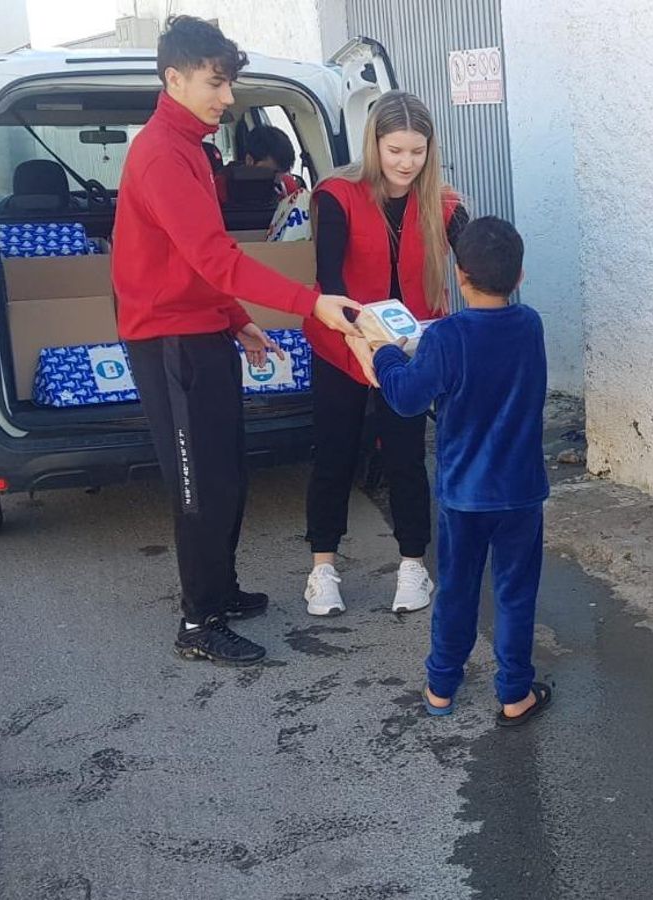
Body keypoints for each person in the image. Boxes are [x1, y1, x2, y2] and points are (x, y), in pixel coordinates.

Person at [113, 15, 362, 666]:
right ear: (174, 79)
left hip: (201, 332)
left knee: (226, 473)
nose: (227, 97)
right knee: (199, 485)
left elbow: (195, 261)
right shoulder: (161, 154)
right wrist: (311, 303)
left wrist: (234, 319)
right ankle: (199, 623)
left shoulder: (191, 149)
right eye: (215, 83)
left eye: (229, 83)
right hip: (170, 342)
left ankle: (220, 589)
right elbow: (214, 258)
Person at [359, 217, 552, 725]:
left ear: (458, 274)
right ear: (520, 276)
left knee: (458, 590)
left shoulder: (446, 336)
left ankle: (441, 686)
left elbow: (406, 398)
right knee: (515, 593)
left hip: (464, 494)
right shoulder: (530, 325)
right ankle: (515, 693)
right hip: (521, 491)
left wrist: (385, 354)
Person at [301, 91, 470, 617]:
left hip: (411, 352)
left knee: (406, 457)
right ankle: (322, 568)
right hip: (342, 344)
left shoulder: (445, 204)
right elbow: (330, 282)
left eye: (417, 151)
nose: (406, 163)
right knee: (334, 454)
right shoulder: (336, 195)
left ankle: (413, 565)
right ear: (374, 144)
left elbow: (478, 269)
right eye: (395, 150)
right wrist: (361, 343)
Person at [239, 125, 305, 201]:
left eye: (283, 172)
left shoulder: (288, 188)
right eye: (272, 172)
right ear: (249, 161)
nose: (278, 179)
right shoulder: (227, 189)